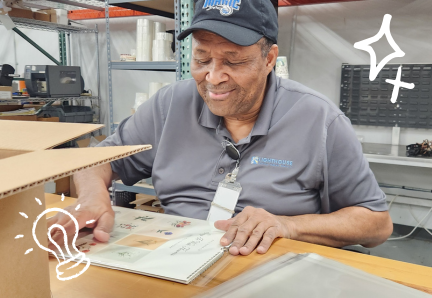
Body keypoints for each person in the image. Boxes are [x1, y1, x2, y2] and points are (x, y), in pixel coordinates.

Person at [48, 0, 393, 256]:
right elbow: (99, 159)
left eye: (234, 61)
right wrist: (94, 200)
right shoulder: (170, 104)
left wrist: (288, 225)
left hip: (270, 270)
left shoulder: (320, 121)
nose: (213, 77)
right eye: (201, 60)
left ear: (269, 58)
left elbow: (376, 224)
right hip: (174, 258)